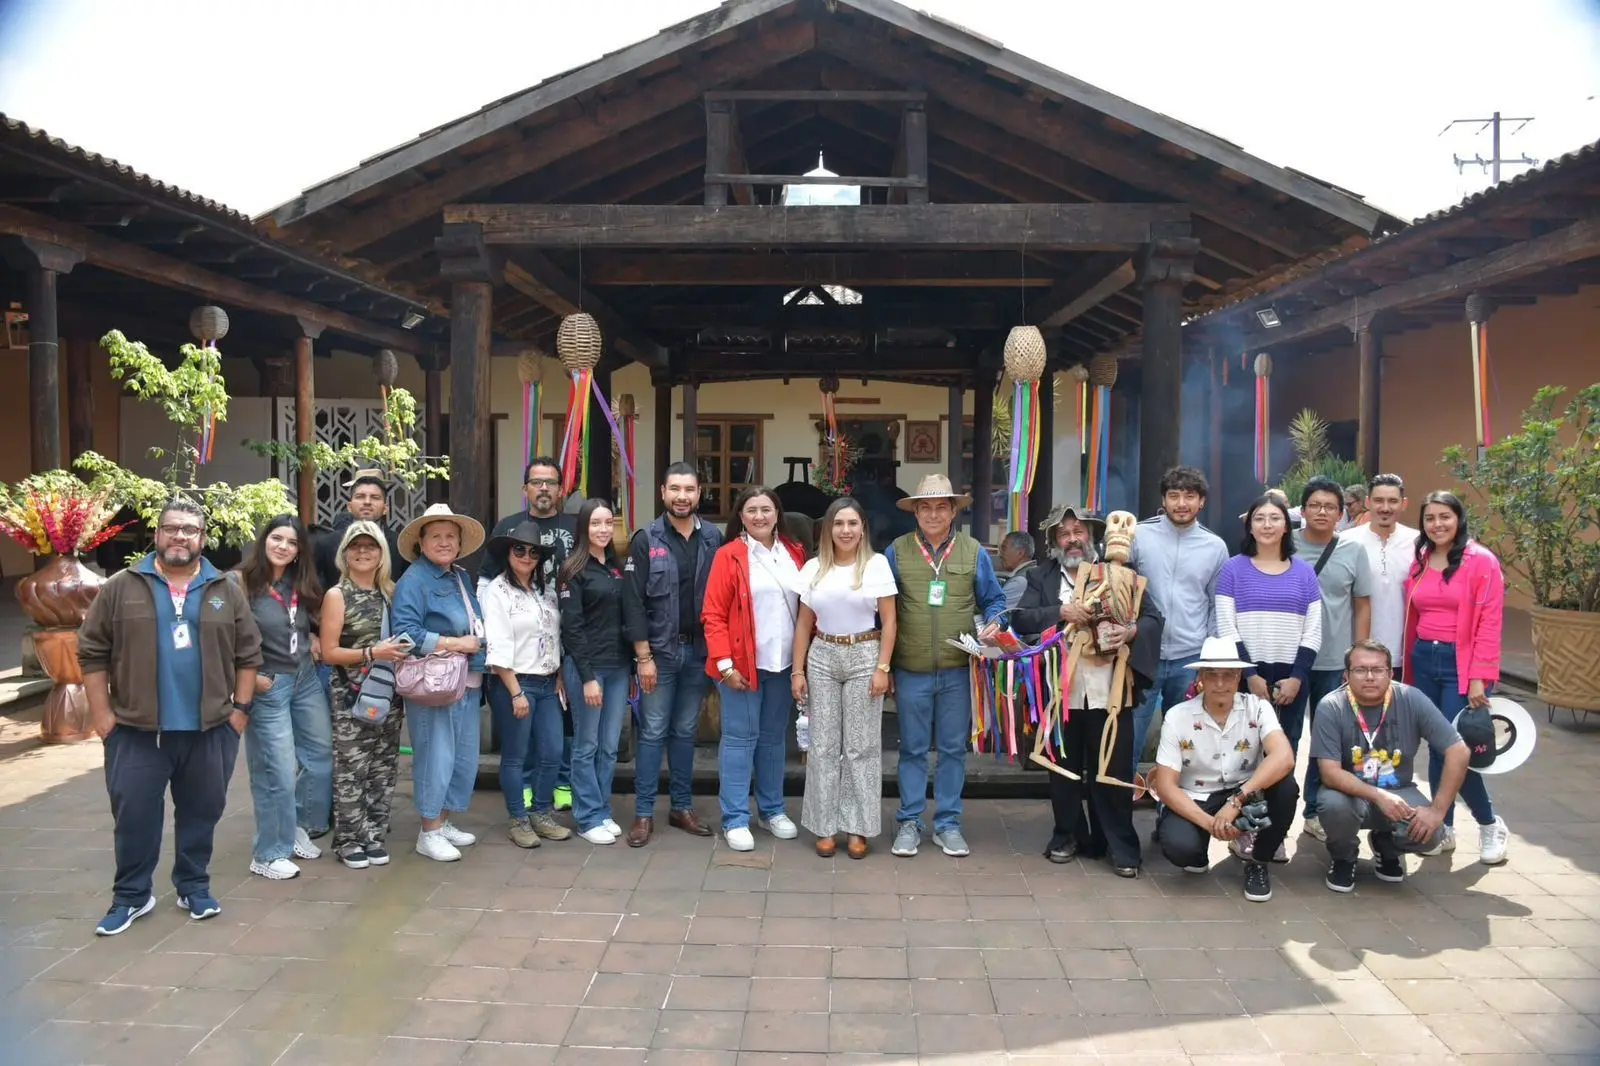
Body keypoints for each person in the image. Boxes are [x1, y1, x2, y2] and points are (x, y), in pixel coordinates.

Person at [78, 500, 261, 934]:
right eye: (172, 528)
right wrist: (102, 717)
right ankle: (131, 897)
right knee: (135, 815)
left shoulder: (224, 588)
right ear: (157, 535)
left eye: (190, 530)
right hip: (136, 731)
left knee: (202, 812)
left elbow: (248, 653)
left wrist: (240, 712)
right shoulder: (122, 585)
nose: (181, 536)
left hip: (210, 729)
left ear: (202, 539)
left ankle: (193, 886)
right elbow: (91, 652)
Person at [1012, 505, 1162, 877]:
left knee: (1109, 770)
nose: (1073, 539)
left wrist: (1129, 632)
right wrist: (1062, 613)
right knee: (1063, 771)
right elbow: (1022, 617)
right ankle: (1067, 836)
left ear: (1091, 537)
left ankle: (1119, 845)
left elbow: (1152, 617)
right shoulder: (1040, 578)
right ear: (1054, 543)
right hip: (1060, 691)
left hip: (1109, 690)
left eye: (1079, 531)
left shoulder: (1122, 574)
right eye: (1064, 534)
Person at [884, 474, 1007, 859]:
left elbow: (995, 601)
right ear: (916, 512)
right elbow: (881, 611)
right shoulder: (897, 551)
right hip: (910, 668)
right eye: (925, 507)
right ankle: (909, 821)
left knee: (953, 749)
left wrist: (996, 623)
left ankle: (948, 824)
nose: (933, 513)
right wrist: (883, 665)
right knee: (913, 749)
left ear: (954, 511)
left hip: (958, 669)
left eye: (941, 506)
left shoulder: (974, 552)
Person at [1403, 491, 1510, 864]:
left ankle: (1488, 823)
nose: (1437, 524)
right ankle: (1443, 824)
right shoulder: (1420, 559)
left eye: (1444, 516)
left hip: (1462, 664)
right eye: (1430, 518)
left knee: (1455, 748)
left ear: (1458, 518)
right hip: (1424, 659)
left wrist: (1479, 676)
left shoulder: (1481, 561)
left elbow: (1490, 622)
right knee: (1435, 747)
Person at [1311, 639, 1468, 892]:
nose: (1370, 677)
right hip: (1348, 793)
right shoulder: (1332, 706)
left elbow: (1459, 751)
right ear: (1346, 674)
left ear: (1390, 673)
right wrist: (1378, 796)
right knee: (1332, 806)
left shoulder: (1411, 698)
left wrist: (1438, 811)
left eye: (1378, 670)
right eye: (1360, 670)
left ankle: (1387, 846)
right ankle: (1344, 858)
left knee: (1433, 835)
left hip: (1400, 790)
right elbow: (1329, 773)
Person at [1151, 637, 1299, 902]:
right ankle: (1200, 846)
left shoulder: (1258, 707)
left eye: (1228, 675)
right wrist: (1212, 824)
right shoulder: (1178, 716)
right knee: (1181, 850)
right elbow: (1165, 785)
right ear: (1201, 678)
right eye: (1212, 675)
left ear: (1239, 677)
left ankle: (1258, 860)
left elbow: (1284, 757)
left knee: (1287, 787)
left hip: (1245, 792)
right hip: (1196, 795)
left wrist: (1237, 800)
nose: (1220, 684)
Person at [621, 462, 722, 846]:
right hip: (659, 656)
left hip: (698, 654)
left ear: (699, 493)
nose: (683, 496)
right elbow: (632, 602)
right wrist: (642, 656)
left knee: (684, 733)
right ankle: (644, 813)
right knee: (652, 733)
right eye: (675, 488)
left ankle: (681, 807)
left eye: (690, 489)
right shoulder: (646, 538)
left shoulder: (713, 537)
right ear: (663, 492)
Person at [792, 498, 898, 858]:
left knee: (861, 745)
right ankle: (824, 825)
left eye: (853, 523)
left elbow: (890, 620)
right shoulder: (813, 569)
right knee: (821, 745)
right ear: (827, 529)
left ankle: (857, 827)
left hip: (864, 653)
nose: (846, 530)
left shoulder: (877, 565)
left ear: (862, 527)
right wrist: (797, 669)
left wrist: (883, 667)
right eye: (839, 523)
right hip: (822, 653)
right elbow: (804, 623)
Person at [703, 486, 807, 852]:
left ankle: (772, 810)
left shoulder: (794, 553)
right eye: (752, 510)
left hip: (783, 664)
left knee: (773, 739)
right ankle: (734, 818)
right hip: (742, 665)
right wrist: (725, 665)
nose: (759, 516)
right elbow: (713, 615)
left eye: (766, 509)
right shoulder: (728, 555)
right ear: (741, 516)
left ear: (778, 513)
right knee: (738, 740)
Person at [235, 516, 334, 880]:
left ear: (298, 551)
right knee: (274, 769)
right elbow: (223, 635)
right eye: (276, 538)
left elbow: (300, 622)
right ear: (264, 541)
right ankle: (267, 852)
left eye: (291, 543)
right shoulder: (241, 583)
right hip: (268, 683)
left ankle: (294, 828)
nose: (283, 547)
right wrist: (244, 678)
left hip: (305, 677)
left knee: (320, 755)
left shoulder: (299, 582)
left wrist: (313, 636)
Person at [1215, 495, 1322, 821]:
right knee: (1244, 750)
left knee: (1284, 750)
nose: (1267, 525)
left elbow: (1313, 630)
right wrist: (1250, 674)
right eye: (1259, 518)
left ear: (1286, 526)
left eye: (1274, 518)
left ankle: (1275, 829)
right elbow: (1226, 626)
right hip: (1247, 675)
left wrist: (1297, 677)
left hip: (1291, 677)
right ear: (1250, 525)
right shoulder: (1233, 569)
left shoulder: (1304, 573)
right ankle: (1243, 825)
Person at [480, 457, 578, 813]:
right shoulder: (508, 528)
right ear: (525, 489)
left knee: (558, 737)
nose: (543, 488)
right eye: (536, 482)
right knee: (519, 745)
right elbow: (485, 585)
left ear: (560, 488)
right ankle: (521, 808)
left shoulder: (573, 529)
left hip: (557, 653)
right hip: (516, 667)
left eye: (550, 482)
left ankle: (554, 793)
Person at [392, 503, 488, 862]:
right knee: (435, 754)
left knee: (461, 757)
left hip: (465, 679)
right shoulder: (414, 580)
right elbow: (405, 634)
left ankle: (443, 820)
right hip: (433, 681)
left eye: (451, 536)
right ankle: (429, 831)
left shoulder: (459, 576)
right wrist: (452, 643)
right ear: (422, 541)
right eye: (436, 536)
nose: (444, 542)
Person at [1128, 466, 1229, 780]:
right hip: (1141, 655)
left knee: (1184, 743)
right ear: (1163, 499)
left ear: (1202, 502)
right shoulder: (1138, 536)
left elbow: (1217, 605)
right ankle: (1117, 817)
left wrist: (1207, 656)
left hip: (1189, 658)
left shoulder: (1215, 547)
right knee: (1128, 737)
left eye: (1189, 496)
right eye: (1174, 496)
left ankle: (1173, 816)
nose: (1181, 503)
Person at [320, 520, 410, 869]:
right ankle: (348, 839)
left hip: (387, 692)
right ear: (345, 553)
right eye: (355, 546)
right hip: (350, 694)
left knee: (383, 768)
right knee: (350, 770)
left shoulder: (392, 592)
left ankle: (374, 834)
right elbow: (329, 652)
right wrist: (373, 653)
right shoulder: (337, 595)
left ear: (381, 553)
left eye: (370, 546)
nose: (362, 552)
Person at [482, 521, 571, 848]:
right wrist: (515, 691)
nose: (526, 555)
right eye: (519, 548)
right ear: (508, 552)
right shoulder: (497, 591)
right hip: (514, 682)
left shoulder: (545, 591)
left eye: (533, 551)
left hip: (548, 682)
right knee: (516, 755)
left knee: (553, 751)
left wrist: (560, 671)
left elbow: (554, 635)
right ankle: (518, 818)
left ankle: (541, 812)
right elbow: (497, 644)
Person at [1294, 476, 1372, 843]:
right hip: (1290, 661)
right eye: (1315, 505)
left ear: (1341, 514)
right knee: (1285, 736)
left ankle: (1314, 811)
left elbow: (1362, 605)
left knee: (1326, 742)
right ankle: (1275, 814)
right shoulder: (1283, 543)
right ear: (1303, 509)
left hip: (1333, 663)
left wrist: (1357, 658)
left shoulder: (1354, 551)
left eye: (1330, 507)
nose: (1322, 512)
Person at [558, 498, 633, 845]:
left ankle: (601, 808)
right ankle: (586, 817)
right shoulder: (573, 569)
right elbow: (571, 629)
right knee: (585, 745)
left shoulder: (617, 567)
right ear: (583, 527)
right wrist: (587, 677)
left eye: (608, 523)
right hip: (588, 669)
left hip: (618, 668)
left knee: (609, 745)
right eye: (595, 524)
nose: (603, 530)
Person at [1344, 474, 1418, 680]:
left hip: (1405, 655)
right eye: (1379, 500)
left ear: (1404, 504)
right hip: (1357, 653)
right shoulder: (1346, 542)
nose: (1385, 508)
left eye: (1392, 501)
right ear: (1368, 502)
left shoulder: (1419, 543)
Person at [313, 469, 408, 592]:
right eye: (360, 497)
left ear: (385, 508)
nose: (367, 502)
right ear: (349, 507)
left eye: (375, 497)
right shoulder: (326, 544)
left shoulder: (400, 545)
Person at [996, 531, 1037, 610]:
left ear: (1020, 553)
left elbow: (994, 612)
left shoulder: (1020, 581)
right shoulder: (1031, 573)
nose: (1000, 554)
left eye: (1004, 548)